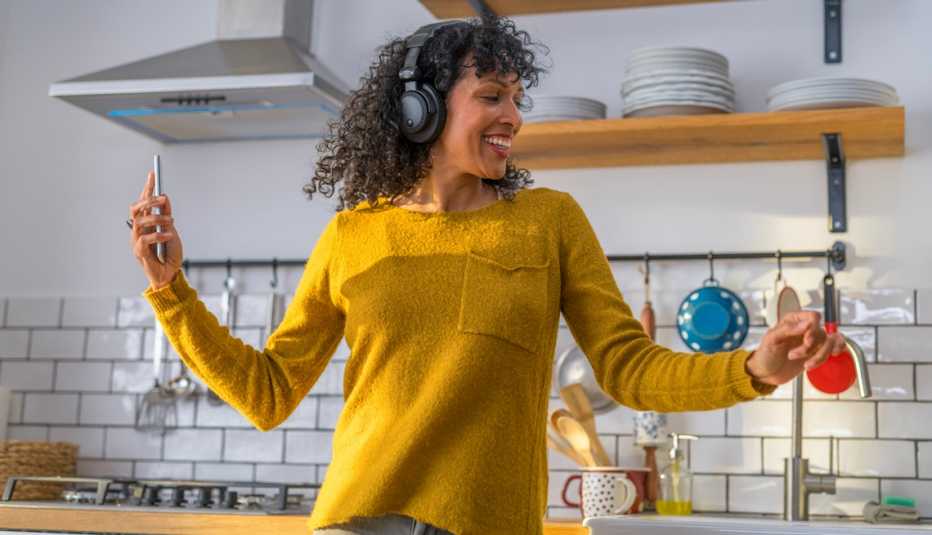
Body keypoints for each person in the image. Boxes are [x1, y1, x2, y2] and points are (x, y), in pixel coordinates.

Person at [127, 14, 845, 535]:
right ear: (422, 107)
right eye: (493, 96)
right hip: (357, 520)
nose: (515, 117)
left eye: (517, 99)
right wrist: (172, 291)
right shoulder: (353, 233)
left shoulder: (549, 219)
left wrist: (753, 366)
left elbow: (627, 368)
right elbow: (268, 392)